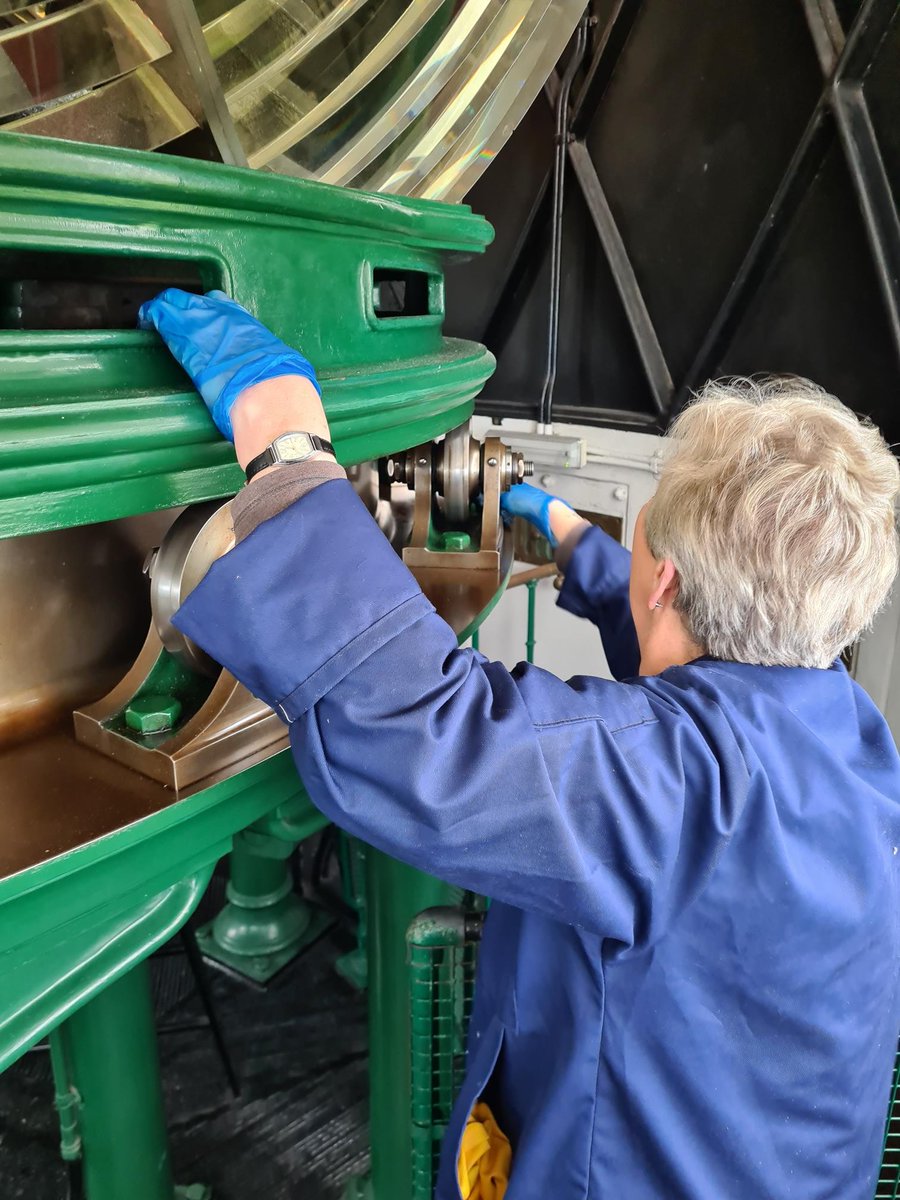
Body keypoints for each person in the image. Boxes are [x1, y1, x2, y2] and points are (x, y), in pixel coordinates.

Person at [140, 289, 900, 1200]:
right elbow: (716, 661)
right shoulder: (849, 736)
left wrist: (289, 450)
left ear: (667, 580)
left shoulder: (678, 796)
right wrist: (574, 538)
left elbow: (421, 735)